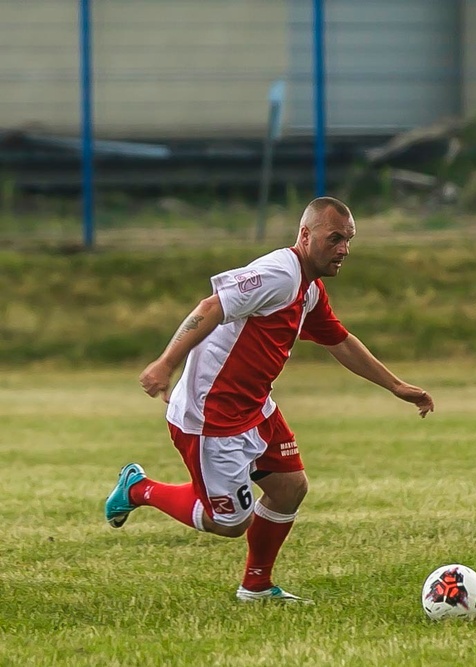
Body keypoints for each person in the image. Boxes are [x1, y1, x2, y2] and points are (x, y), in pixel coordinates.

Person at [104, 197, 434, 603]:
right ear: (305, 235)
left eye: (348, 240)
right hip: (213, 417)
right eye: (334, 238)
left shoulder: (308, 288)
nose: (344, 249)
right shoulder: (278, 274)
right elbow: (212, 306)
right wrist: (165, 362)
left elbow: (340, 341)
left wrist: (396, 386)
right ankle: (139, 488)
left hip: (255, 408)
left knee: (290, 487)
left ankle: (256, 586)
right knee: (229, 523)